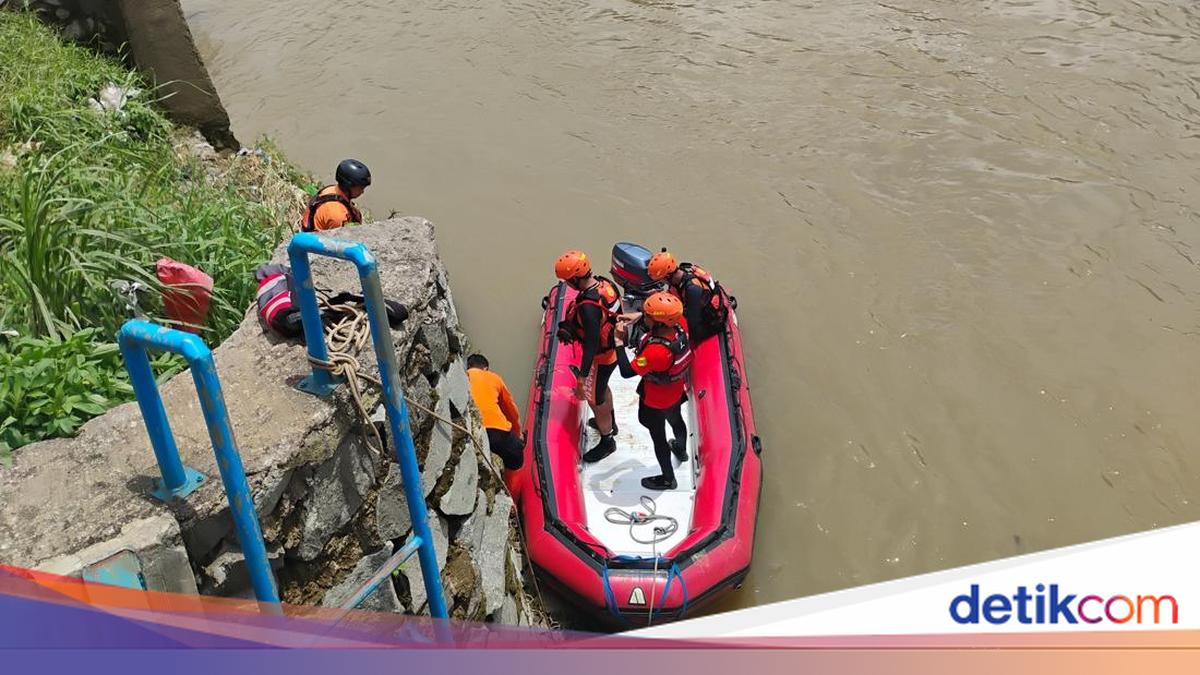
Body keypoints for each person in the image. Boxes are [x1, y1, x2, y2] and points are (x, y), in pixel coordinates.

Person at [614, 291, 693, 491]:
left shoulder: (655, 351)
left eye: (647, 314)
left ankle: (668, 478)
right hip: (675, 391)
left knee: (658, 436)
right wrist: (639, 317)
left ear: (657, 322)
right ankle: (681, 450)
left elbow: (626, 371)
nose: (644, 315)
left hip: (656, 400)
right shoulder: (679, 323)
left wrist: (619, 342)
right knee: (676, 421)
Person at [554, 250, 621, 463]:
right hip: (612, 352)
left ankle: (607, 440)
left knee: (595, 398)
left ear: (575, 278)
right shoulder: (605, 284)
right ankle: (612, 422)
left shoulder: (588, 308)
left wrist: (582, 377)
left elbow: (591, 343)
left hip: (601, 357)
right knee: (602, 389)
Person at [646, 249, 729, 345]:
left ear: (668, 276)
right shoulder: (683, 271)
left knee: (664, 323)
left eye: (661, 280)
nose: (661, 283)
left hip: (708, 323)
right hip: (696, 307)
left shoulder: (692, 290)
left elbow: (693, 324)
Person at [466, 353, 525, 471]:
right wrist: (518, 434)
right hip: (497, 432)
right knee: (517, 462)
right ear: (485, 368)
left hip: (473, 431)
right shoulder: (494, 377)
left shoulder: (464, 376)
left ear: (468, 366)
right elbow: (511, 410)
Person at [300, 159, 371, 232]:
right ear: (348, 186)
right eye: (361, 188)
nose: (362, 192)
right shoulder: (336, 214)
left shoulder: (332, 189)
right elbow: (342, 239)